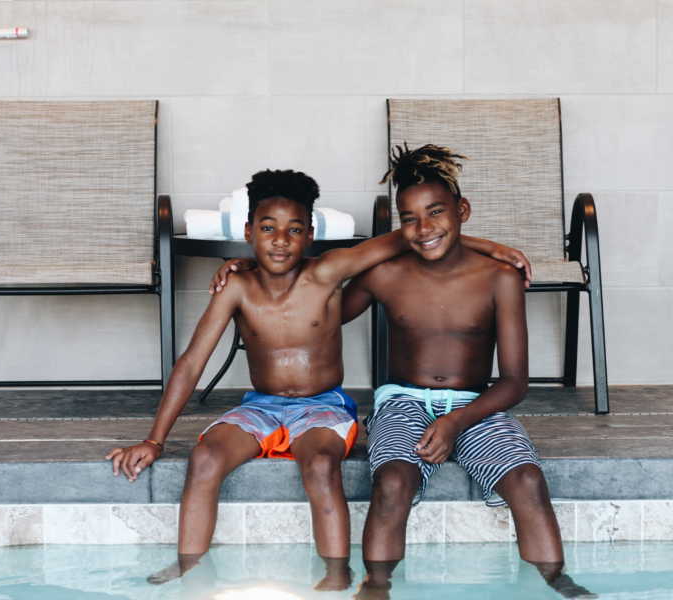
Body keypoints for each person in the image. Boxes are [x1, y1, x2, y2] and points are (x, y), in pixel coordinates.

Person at [108, 168, 527, 589]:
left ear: (309, 234)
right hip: (261, 406)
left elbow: (411, 236)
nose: (279, 240)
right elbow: (191, 364)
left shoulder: (328, 272)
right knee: (204, 459)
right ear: (248, 230)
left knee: (322, 464)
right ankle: (189, 571)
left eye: (293, 230)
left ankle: (335, 574)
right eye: (267, 229)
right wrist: (154, 440)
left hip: (323, 406)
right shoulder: (236, 286)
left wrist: (487, 247)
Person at [212, 145, 593, 599]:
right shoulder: (384, 275)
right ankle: (376, 586)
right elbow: (313, 298)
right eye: (409, 218)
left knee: (528, 480)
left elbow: (514, 382)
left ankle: (557, 584)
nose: (424, 227)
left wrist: (454, 422)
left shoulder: (499, 278)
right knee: (392, 481)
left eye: (435, 213)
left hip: (478, 405)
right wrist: (254, 270)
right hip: (402, 402)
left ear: (462, 210)